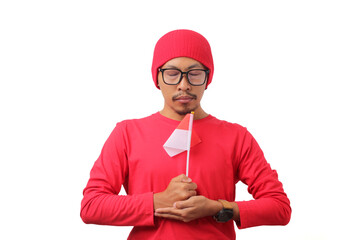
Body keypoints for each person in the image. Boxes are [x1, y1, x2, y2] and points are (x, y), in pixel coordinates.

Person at [80, 29, 291, 240]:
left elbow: (279, 207)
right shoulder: (127, 133)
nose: (184, 85)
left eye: (194, 74)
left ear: (208, 79)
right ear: (158, 78)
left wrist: (218, 207)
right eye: (172, 74)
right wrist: (158, 201)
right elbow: (91, 206)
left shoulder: (237, 137)